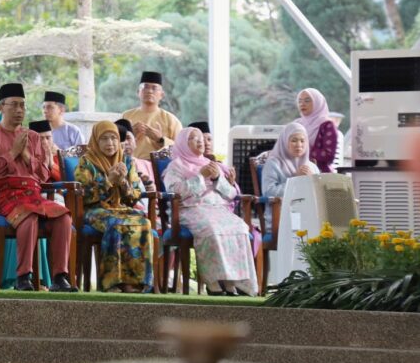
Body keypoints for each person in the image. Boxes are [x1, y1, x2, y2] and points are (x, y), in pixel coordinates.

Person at [0, 82, 77, 292]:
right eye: (14, 105)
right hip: (5, 194)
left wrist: (26, 155)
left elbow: (43, 175)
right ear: (1, 107)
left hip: (33, 193)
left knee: (64, 217)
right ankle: (23, 277)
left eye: (22, 105)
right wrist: (12, 153)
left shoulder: (32, 137)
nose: (19, 110)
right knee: (29, 215)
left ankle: (60, 277)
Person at [163, 127, 257, 296]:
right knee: (212, 229)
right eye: (193, 138)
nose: (200, 141)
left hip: (216, 209)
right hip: (190, 210)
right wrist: (200, 176)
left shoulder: (212, 165)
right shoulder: (175, 166)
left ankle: (232, 281)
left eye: (201, 137)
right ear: (183, 143)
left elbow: (231, 194)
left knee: (240, 227)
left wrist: (217, 178)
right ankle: (213, 282)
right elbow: (175, 192)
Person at [74, 121, 155, 293]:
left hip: (119, 208)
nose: (110, 143)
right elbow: (84, 195)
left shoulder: (126, 161)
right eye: (104, 139)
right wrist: (108, 181)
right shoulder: (86, 162)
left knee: (144, 223)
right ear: (96, 140)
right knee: (116, 224)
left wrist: (123, 183)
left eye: (113, 138)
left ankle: (135, 282)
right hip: (93, 210)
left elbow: (135, 195)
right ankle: (112, 282)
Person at [120, 71, 182, 160]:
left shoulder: (171, 120)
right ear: (138, 92)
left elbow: (182, 149)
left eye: (154, 88)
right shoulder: (126, 116)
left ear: (162, 95)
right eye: (145, 87)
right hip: (131, 164)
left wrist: (160, 140)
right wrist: (129, 136)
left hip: (160, 166)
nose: (149, 91)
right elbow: (114, 143)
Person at [262, 122, 319, 198]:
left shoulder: (311, 166)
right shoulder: (273, 164)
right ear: (285, 142)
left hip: (308, 205)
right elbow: (268, 192)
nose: (299, 145)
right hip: (283, 205)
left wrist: (313, 180)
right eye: (294, 141)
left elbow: (320, 192)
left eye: (302, 141)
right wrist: (295, 180)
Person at [296, 88, 339, 173]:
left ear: (317, 102)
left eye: (307, 100)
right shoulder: (296, 124)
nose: (302, 104)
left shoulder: (327, 125)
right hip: (296, 172)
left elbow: (328, 156)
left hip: (320, 173)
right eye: (300, 101)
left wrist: (303, 150)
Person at [114, 119, 155, 191]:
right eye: (120, 139)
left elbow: (158, 190)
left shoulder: (147, 164)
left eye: (128, 138)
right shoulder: (111, 166)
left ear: (135, 141)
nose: (125, 143)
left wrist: (151, 188)